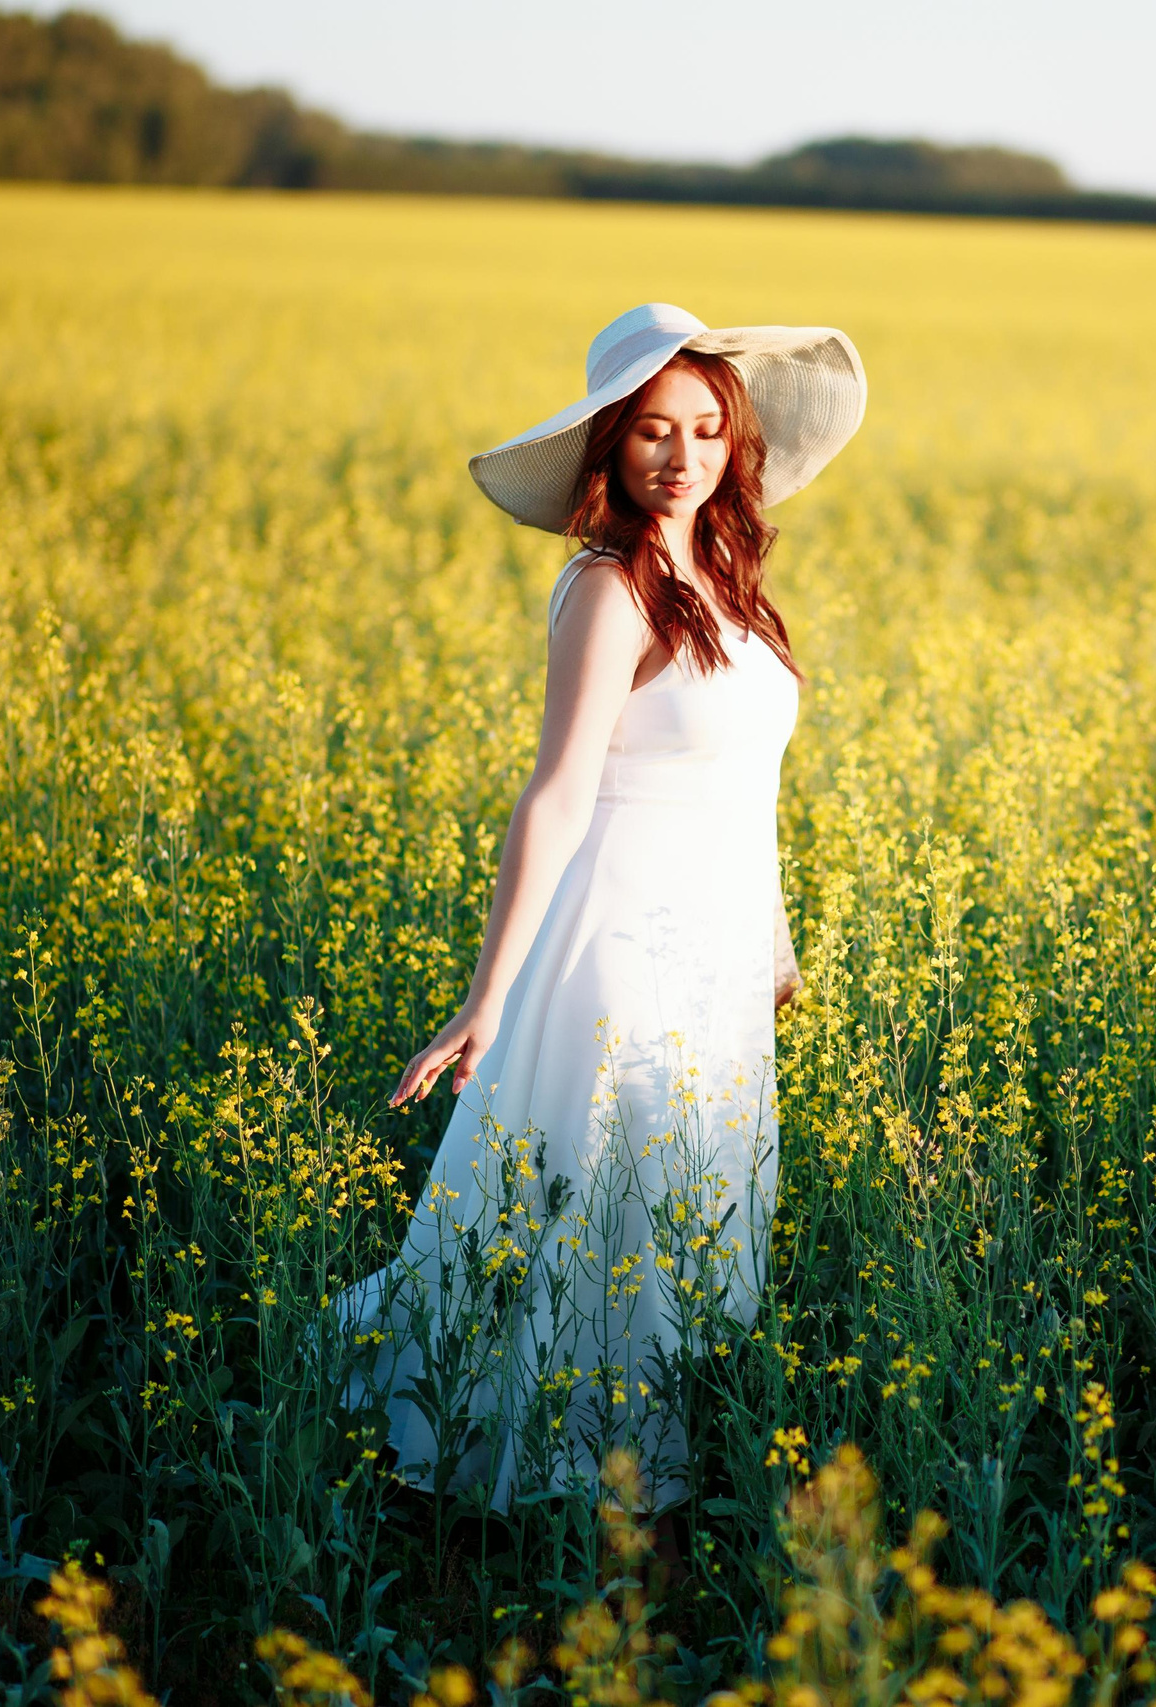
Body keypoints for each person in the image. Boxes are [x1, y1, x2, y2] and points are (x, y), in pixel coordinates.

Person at [332, 303, 866, 1512]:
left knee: (680, 1205)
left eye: (708, 431)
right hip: (620, 947)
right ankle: (551, 1488)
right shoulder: (607, 591)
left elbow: (751, 793)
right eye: (652, 434)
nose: (683, 458)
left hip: (715, 954)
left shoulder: (730, 580)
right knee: (598, 1200)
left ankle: (641, 1474)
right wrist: (487, 1001)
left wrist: (771, 946)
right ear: (610, 450)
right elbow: (556, 795)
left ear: (738, 446)